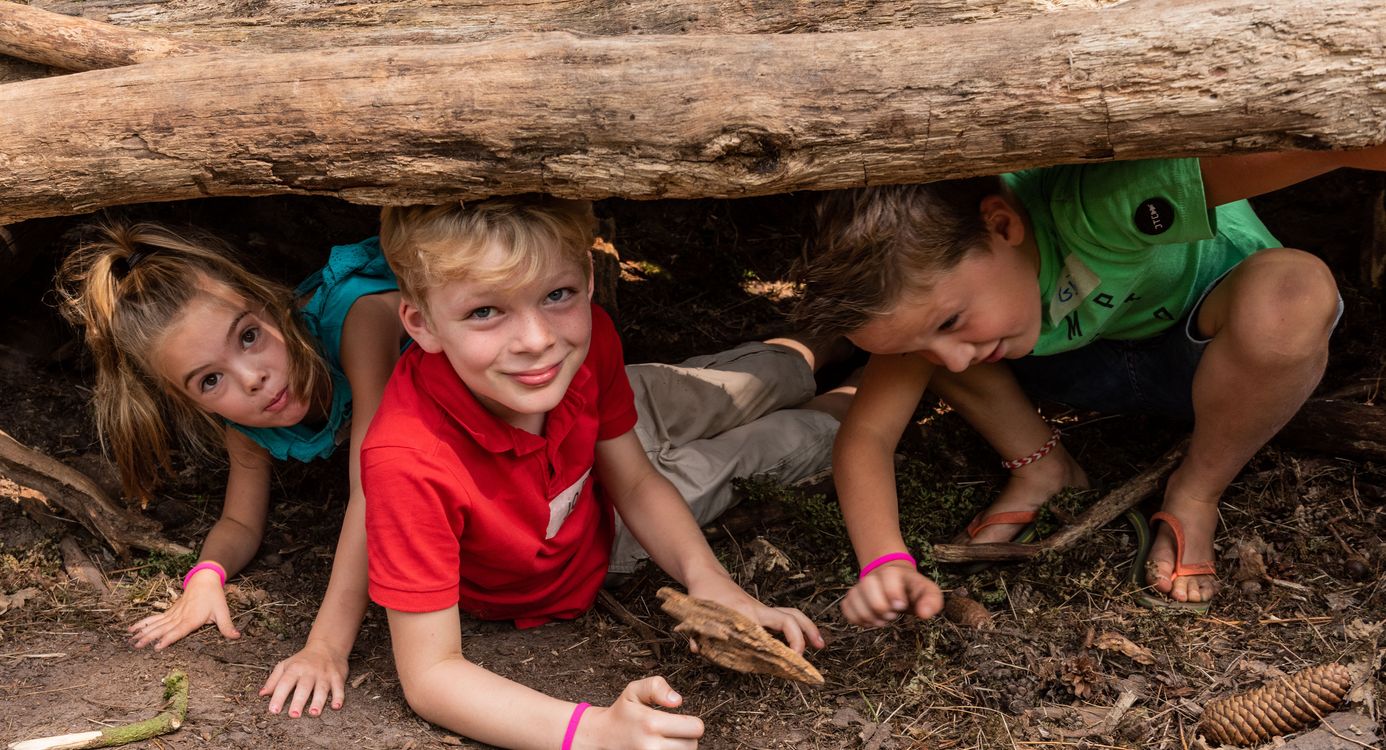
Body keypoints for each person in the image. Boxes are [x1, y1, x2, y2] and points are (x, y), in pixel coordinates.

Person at [792, 147, 1385, 622]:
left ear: (1002, 224)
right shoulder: (939, 313)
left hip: (1213, 356)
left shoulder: (1093, 203)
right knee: (945, 347)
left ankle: (1195, 492)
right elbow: (867, 435)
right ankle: (1043, 468)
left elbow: (1326, 147)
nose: (946, 357)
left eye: (950, 321)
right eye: (923, 343)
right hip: (1079, 365)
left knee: (1294, 292)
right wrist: (883, 562)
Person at [363, 195, 837, 748]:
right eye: (485, 311)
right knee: (805, 438)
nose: (536, 338)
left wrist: (711, 581)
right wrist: (593, 733)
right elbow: (430, 676)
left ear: (588, 279)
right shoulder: (410, 460)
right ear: (422, 326)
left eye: (556, 294)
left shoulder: (580, 344)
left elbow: (633, 477)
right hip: (607, 530)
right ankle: (863, 395)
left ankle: (851, 337)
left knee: (765, 376)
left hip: (605, 421)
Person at [56, 222, 406, 719]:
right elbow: (240, 522)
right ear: (188, 401)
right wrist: (206, 576)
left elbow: (374, 489)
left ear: (269, 303)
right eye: (211, 380)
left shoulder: (359, 321)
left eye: (248, 336)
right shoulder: (243, 422)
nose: (252, 379)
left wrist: (325, 646)